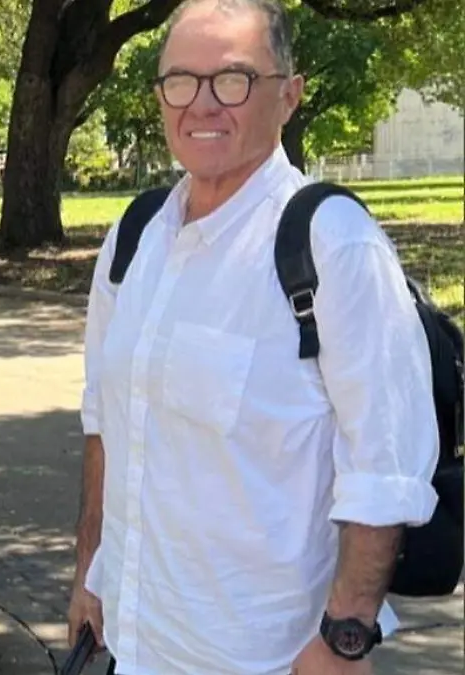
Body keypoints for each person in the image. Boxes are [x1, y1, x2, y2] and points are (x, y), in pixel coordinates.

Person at [69, 0, 440, 673]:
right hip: (138, 643)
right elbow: (106, 420)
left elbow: (385, 463)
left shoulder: (331, 243)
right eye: (180, 80)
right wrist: (89, 574)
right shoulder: (134, 238)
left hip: (268, 656)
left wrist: (345, 635)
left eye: (233, 79)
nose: (202, 104)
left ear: (289, 96)